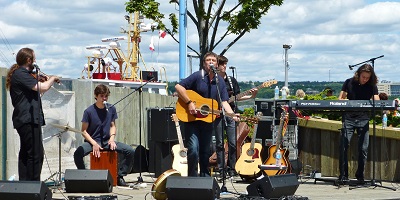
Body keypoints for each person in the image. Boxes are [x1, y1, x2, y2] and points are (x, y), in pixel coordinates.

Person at [175, 52, 239, 177]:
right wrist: (189, 103)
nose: (211, 62)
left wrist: (232, 115)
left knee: (205, 151)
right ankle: (192, 178)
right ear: (204, 63)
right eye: (208, 60)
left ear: (216, 63)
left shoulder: (219, 81)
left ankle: (204, 177)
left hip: (208, 121)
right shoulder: (198, 76)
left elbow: (224, 101)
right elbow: (178, 87)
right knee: (193, 149)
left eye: (213, 60)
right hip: (191, 120)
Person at [6, 47, 60, 181]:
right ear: (28, 60)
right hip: (27, 119)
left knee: (26, 154)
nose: (35, 61)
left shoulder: (24, 75)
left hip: (27, 119)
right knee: (36, 154)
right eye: (34, 58)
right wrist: (52, 78)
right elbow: (42, 87)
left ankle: (24, 186)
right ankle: (32, 185)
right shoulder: (21, 74)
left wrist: (43, 80)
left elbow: (39, 91)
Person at [73, 84, 135, 186]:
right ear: (96, 96)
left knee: (130, 151)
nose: (104, 98)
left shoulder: (111, 109)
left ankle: (120, 176)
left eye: (106, 96)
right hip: (92, 141)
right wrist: (94, 144)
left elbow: (113, 126)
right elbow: (84, 131)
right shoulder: (88, 111)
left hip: (107, 141)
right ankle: (84, 176)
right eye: (102, 96)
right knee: (77, 154)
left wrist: (111, 139)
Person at [215, 55, 257, 177]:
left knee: (233, 142)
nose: (224, 66)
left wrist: (251, 96)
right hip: (217, 113)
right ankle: (221, 168)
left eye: (225, 64)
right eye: (222, 64)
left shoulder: (231, 81)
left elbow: (237, 97)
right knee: (219, 142)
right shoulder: (214, 80)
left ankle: (232, 168)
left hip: (231, 114)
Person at [338, 63, 379, 185]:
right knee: (343, 146)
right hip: (348, 118)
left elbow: (376, 101)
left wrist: (377, 102)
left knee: (363, 149)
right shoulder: (348, 82)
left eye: (367, 77)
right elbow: (341, 99)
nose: (365, 79)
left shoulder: (372, 86)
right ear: (358, 74)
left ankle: (360, 175)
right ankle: (343, 175)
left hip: (364, 119)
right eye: (363, 77)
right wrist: (345, 100)